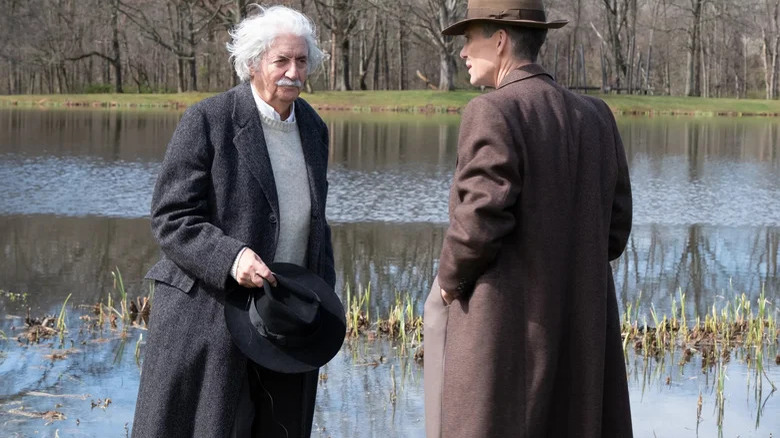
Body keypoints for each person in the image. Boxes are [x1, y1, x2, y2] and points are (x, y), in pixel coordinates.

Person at [423, 0, 634, 437]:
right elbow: (614, 231)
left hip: (503, 336)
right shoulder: (596, 116)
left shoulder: (493, 111)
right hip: (581, 333)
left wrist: (446, 284)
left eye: (469, 38)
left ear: (499, 41)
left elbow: (479, 220)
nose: (463, 52)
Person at [131, 5, 339, 437]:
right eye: (281, 60)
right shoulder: (209, 120)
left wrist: (324, 304)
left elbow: (316, 221)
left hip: (285, 319)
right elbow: (172, 217)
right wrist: (232, 257)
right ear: (252, 63)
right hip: (207, 314)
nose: (293, 71)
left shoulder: (314, 128)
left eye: (301, 60)